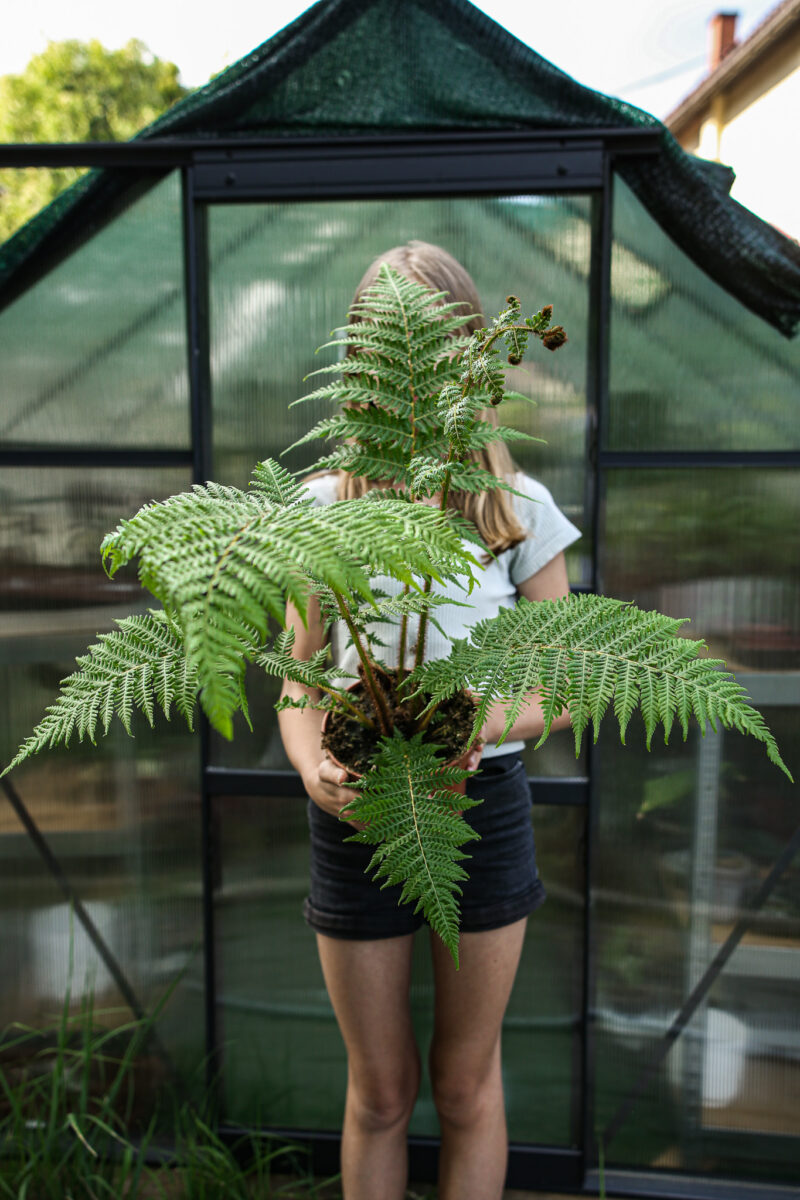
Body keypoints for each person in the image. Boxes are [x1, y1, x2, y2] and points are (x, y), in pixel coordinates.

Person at [278, 241, 580, 1200]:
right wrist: (312, 767)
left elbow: (567, 681)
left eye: (434, 343)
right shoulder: (322, 507)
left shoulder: (517, 508)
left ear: (469, 356)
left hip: (481, 808)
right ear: (358, 362)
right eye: (385, 345)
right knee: (380, 1091)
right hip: (356, 810)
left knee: (462, 1084)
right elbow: (297, 678)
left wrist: (478, 720)